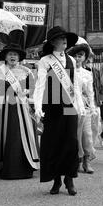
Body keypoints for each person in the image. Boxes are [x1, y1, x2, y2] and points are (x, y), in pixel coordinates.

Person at [33, 26, 85, 196]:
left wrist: (80, 106)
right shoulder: (45, 61)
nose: (64, 41)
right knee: (54, 142)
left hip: (70, 106)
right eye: (60, 38)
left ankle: (69, 179)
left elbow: (75, 85)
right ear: (53, 42)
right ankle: (56, 180)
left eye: (65, 38)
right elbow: (40, 84)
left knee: (70, 142)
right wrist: (38, 106)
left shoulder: (72, 59)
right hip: (52, 105)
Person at [0, 43, 39, 179]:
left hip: (23, 107)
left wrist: (26, 92)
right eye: (10, 54)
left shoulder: (26, 71)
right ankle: (6, 167)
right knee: (9, 133)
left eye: (15, 54)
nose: (12, 56)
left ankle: (25, 166)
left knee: (23, 134)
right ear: (5, 57)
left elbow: (33, 89)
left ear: (19, 57)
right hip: (6, 107)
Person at [67, 40, 98, 174]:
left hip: (84, 108)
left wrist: (92, 107)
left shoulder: (87, 73)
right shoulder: (67, 72)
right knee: (75, 135)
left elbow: (90, 92)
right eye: (75, 55)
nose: (78, 58)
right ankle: (77, 160)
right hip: (70, 107)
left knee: (87, 134)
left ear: (85, 57)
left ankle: (87, 159)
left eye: (80, 55)